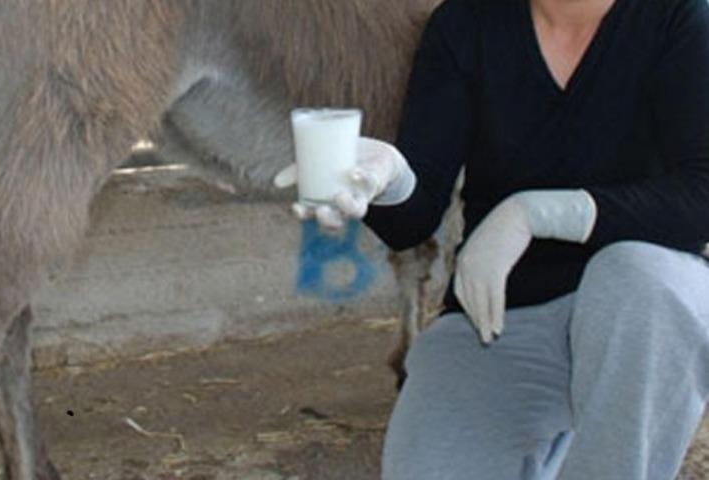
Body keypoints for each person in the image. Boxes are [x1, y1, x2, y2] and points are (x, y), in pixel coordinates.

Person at [276, 0, 709, 478]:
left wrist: (536, 214)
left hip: (640, 315)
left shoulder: (680, 17)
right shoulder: (465, 24)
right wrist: (388, 178)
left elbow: (701, 195)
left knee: (639, 279)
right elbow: (413, 221)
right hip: (500, 314)